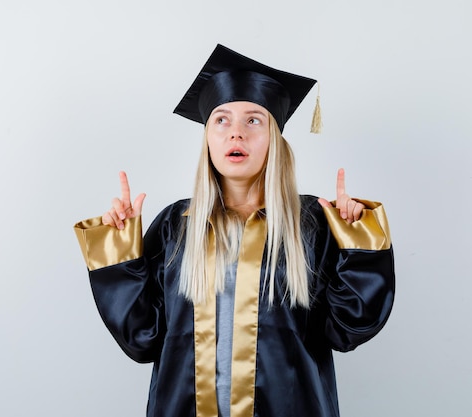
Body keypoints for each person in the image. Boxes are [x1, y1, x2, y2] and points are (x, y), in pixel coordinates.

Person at [73, 44, 395, 417]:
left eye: (253, 120)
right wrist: (120, 251)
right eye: (221, 120)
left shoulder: (311, 224)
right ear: (207, 137)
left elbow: (347, 330)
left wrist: (359, 245)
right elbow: (142, 340)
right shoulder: (176, 227)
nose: (235, 134)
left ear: (275, 136)